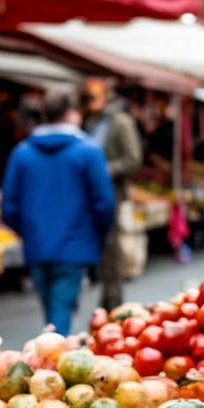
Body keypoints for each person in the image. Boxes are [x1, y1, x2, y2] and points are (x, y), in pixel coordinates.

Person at [2, 91, 116, 334]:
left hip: (37, 246)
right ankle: (55, 352)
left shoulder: (22, 153)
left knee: (52, 312)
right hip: (75, 246)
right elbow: (105, 203)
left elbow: (9, 206)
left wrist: (29, 231)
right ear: (72, 114)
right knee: (60, 314)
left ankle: (51, 347)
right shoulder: (89, 152)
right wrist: (94, 235)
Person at [80, 78, 142, 311]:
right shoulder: (89, 122)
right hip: (89, 193)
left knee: (111, 248)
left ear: (106, 96)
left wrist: (105, 169)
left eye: (94, 96)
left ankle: (113, 301)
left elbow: (132, 159)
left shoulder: (121, 122)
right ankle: (105, 300)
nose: (90, 102)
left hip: (111, 192)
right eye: (87, 97)